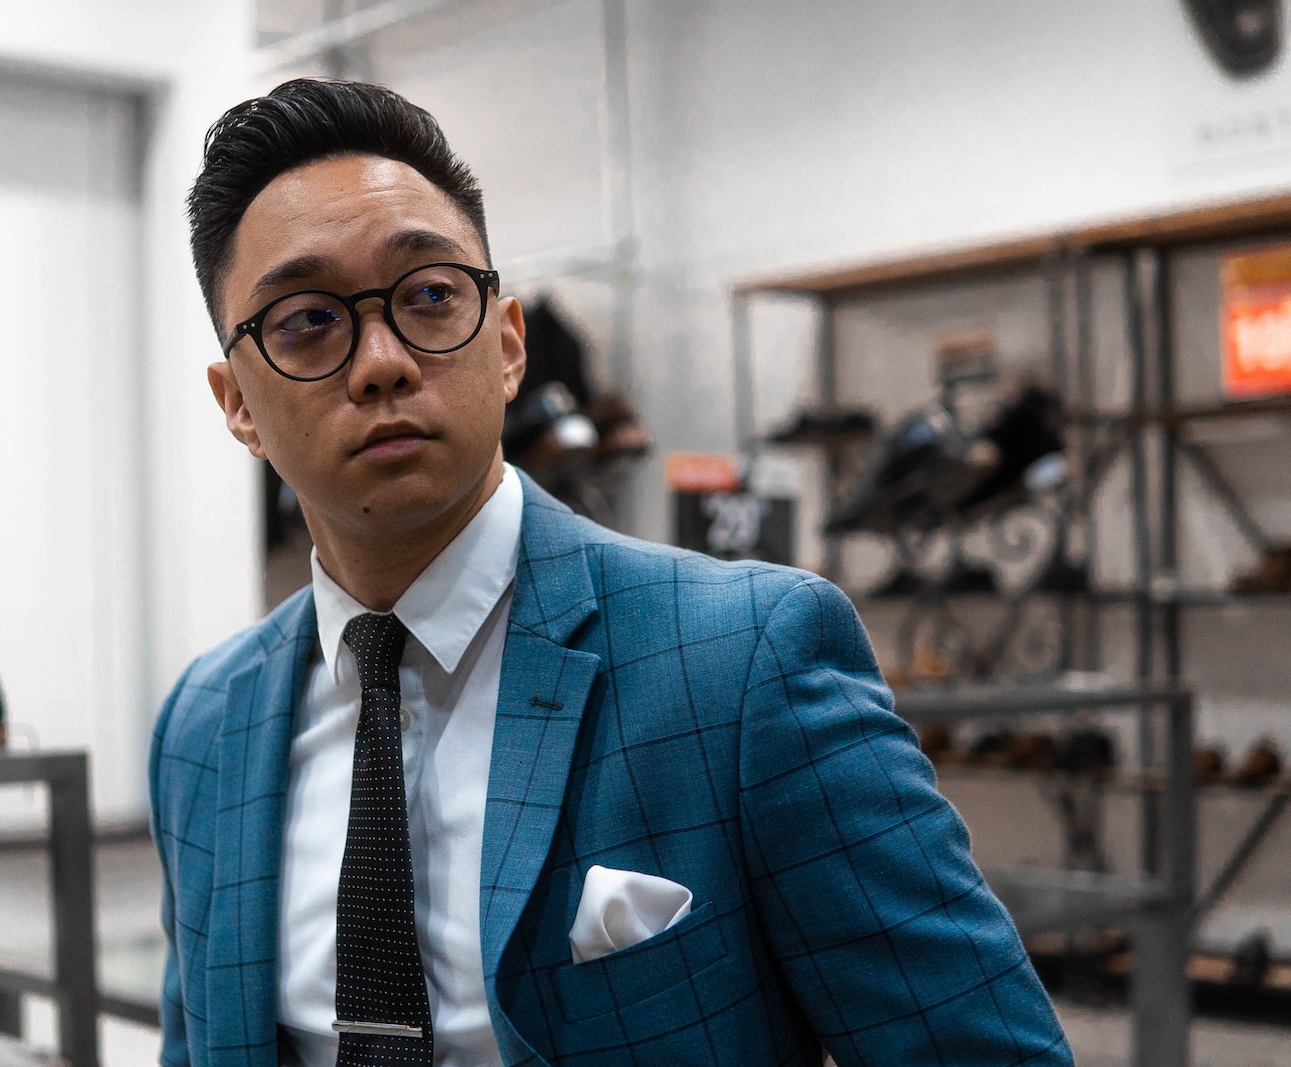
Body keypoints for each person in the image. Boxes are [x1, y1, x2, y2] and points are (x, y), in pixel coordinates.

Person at [150, 77, 1070, 1067]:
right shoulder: (206, 726)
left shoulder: (743, 664)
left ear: (506, 345)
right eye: (305, 322)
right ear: (236, 401)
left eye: (427, 298)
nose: (382, 360)